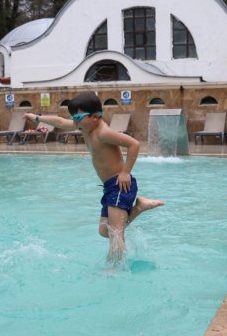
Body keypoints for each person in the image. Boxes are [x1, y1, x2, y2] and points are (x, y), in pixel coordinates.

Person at [24, 92, 163, 265]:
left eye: (79, 117)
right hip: (109, 187)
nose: (75, 122)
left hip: (120, 185)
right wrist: (36, 117)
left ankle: (113, 270)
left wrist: (126, 172)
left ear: (96, 116)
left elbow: (134, 144)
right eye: (73, 117)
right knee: (105, 231)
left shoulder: (103, 132)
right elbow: (59, 121)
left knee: (116, 233)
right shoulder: (85, 127)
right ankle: (139, 207)